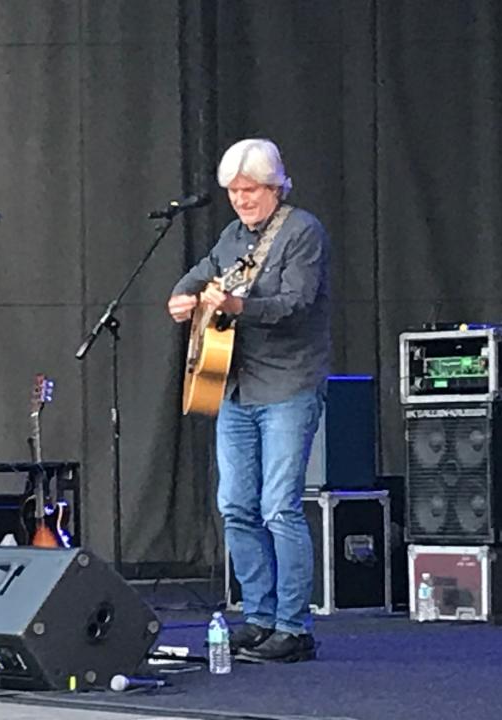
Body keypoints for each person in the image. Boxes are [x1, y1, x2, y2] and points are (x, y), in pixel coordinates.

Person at [168, 138, 330, 663]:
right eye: (234, 191)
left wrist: (237, 303)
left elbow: (296, 304)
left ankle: (294, 626)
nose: (241, 199)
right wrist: (184, 296)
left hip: (287, 384)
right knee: (235, 505)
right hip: (234, 384)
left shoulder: (302, 232)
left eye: (250, 190)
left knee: (279, 507)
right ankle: (258, 617)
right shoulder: (233, 235)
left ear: (276, 187)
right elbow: (199, 272)